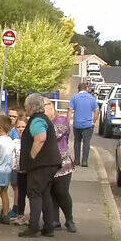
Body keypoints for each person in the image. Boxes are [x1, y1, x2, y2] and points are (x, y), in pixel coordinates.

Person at [19, 94, 62, 238]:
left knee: (34, 193)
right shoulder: (44, 119)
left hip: (41, 164)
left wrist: (31, 157)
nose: (25, 110)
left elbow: (40, 138)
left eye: (26, 107)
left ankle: (33, 227)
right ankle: (48, 227)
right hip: (50, 163)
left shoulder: (37, 119)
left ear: (31, 106)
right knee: (45, 194)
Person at [44, 98, 77, 233]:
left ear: (51, 106)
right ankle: (54, 220)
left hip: (63, 165)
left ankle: (69, 219)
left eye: (43, 106)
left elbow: (53, 135)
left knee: (61, 192)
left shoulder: (61, 120)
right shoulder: (43, 122)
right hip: (47, 164)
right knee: (51, 193)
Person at [68, 83, 99, 167]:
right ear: (86, 89)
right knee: (86, 143)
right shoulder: (92, 98)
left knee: (77, 142)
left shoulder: (74, 98)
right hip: (88, 125)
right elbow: (97, 110)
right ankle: (84, 161)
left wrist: (67, 122)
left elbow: (70, 111)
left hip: (77, 124)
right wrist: (94, 121)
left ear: (78, 89)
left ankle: (77, 161)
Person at [12, 117, 28, 225]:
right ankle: (20, 215)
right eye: (18, 127)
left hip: (30, 172)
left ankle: (33, 217)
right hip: (20, 171)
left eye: (23, 126)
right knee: (21, 193)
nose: (21, 129)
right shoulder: (15, 142)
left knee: (32, 195)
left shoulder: (31, 141)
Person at [7, 107, 21, 218]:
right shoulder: (9, 129)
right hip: (9, 162)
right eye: (10, 115)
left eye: (14, 116)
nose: (11, 118)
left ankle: (16, 207)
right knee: (13, 185)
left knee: (16, 186)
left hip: (15, 163)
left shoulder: (15, 132)